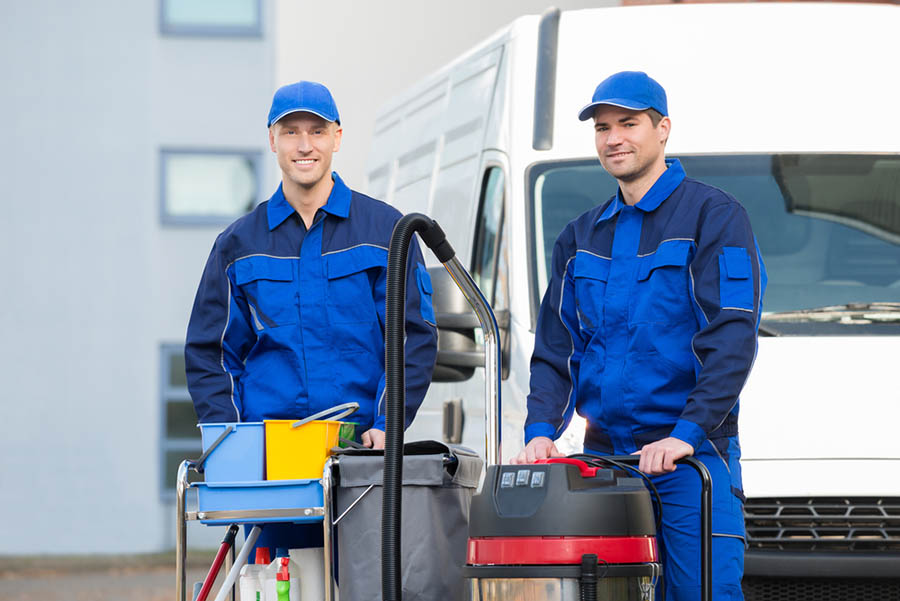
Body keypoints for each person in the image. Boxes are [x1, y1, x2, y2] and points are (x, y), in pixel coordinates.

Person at [512, 71, 766, 601]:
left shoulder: (714, 217)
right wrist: (540, 430)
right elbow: (557, 350)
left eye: (628, 124)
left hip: (692, 462)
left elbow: (732, 339)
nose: (613, 139)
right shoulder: (580, 236)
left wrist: (685, 434)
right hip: (605, 467)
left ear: (663, 129)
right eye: (603, 128)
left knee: (705, 595)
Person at [185, 80, 438, 549]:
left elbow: (412, 339)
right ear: (272, 140)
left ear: (337, 137)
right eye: (291, 132)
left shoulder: (386, 231)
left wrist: (387, 424)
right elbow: (211, 354)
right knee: (279, 586)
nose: (305, 145)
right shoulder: (239, 244)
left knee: (365, 584)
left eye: (317, 131)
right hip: (273, 472)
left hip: (362, 462)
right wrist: (234, 445)